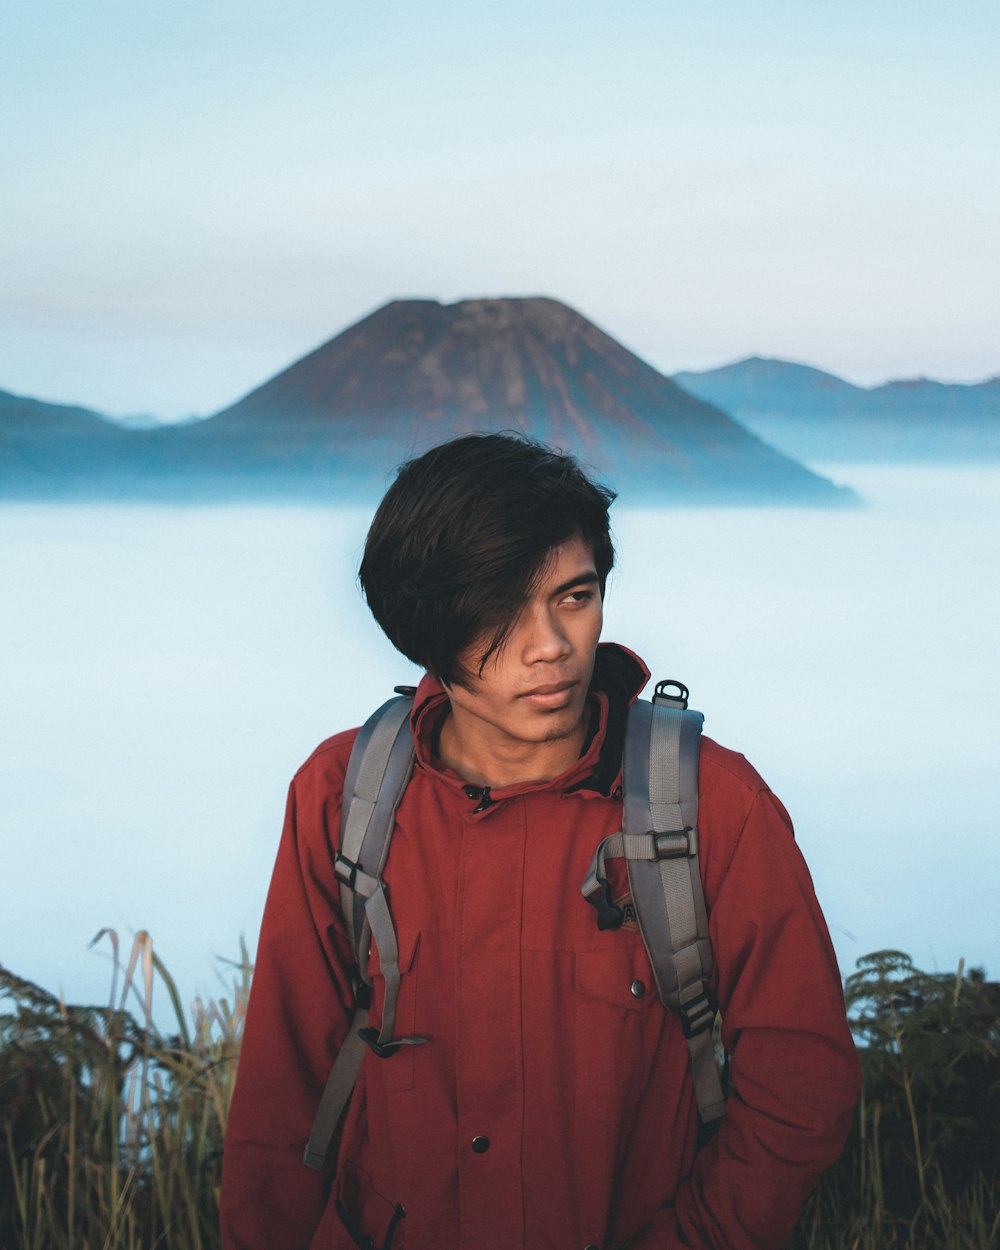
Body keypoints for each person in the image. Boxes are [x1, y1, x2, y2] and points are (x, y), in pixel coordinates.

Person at [220, 433, 860, 1250]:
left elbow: (802, 1090)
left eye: (573, 596)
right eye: (499, 610)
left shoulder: (711, 805)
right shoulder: (343, 798)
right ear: (425, 627)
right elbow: (282, 1095)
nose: (551, 646)